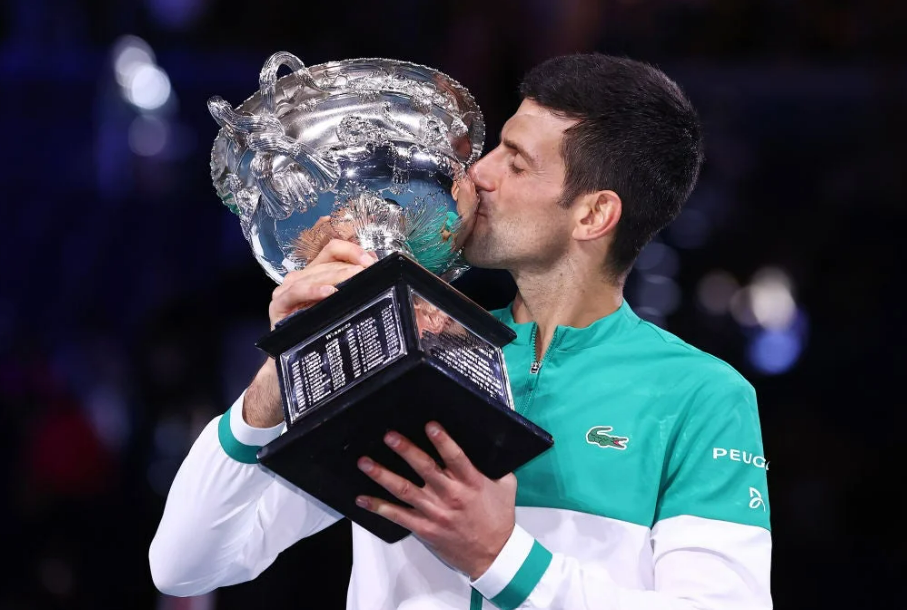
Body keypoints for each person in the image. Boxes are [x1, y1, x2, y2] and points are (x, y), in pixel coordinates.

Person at [150, 54, 772, 609]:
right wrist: (276, 382)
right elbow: (183, 566)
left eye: (517, 162)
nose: (477, 174)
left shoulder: (700, 396)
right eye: (495, 145)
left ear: (593, 213)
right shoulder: (400, 345)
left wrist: (499, 557)